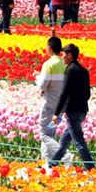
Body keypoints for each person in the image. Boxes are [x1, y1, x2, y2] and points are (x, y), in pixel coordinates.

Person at [49, 44, 95, 170]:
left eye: (63, 54)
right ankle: (52, 163)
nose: (62, 57)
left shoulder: (70, 70)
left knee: (79, 141)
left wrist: (57, 113)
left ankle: (91, 168)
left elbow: (64, 93)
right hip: (82, 110)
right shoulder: (83, 70)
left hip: (72, 111)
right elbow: (87, 93)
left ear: (70, 55)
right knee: (65, 140)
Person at [34, 36, 66, 164]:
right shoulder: (64, 63)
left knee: (44, 133)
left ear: (50, 48)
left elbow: (43, 84)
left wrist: (37, 78)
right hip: (61, 107)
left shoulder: (49, 64)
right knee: (51, 132)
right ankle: (50, 162)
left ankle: (63, 156)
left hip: (49, 104)